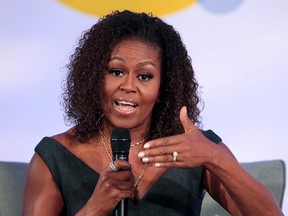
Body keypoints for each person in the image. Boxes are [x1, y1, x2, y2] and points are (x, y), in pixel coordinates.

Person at [22, 10, 283, 216]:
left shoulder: (197, 149)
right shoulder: (54, 156)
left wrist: (216, 158)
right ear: (94, 78)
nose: (128, 86)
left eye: (145, 76)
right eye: (116, 71)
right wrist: (95, 208)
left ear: (163, 86)